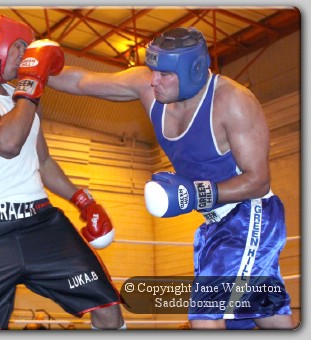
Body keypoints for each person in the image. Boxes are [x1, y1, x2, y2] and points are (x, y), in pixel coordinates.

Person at [47, 27, 296, 329]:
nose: (153, 80)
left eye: (164, 74)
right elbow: (82, 81)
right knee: (262, 316)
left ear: (191, 71)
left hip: (250, 214)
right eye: (152, 70)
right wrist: (34, 73)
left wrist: (195, 194)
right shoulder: (148, 87)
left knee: (205, 315)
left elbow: (259, 181)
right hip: (214, 223)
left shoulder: (233, 101)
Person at [0, 14, 125, 330]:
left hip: (42, 225)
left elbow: (44, 162)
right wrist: (31, 86)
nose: (26, 59)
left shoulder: (20, 99)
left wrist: (83, 200)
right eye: (20, 48)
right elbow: (6, 142)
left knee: (108, 309)